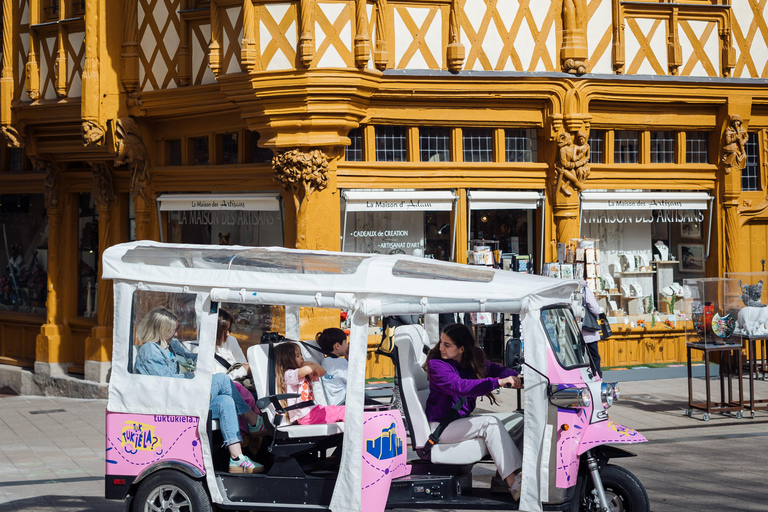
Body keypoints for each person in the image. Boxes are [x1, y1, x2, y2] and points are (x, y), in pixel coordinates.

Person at [134, 306, 264, 474]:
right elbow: (165, 383)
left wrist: (208, 348)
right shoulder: (150, 351)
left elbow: (192, 358)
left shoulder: (169, 345)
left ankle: (237, 458)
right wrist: (192, 375)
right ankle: (253, 420)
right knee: (222, 380)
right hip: (172, 401)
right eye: (173, 330)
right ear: (160, 330)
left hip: (184, 395)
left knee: (226, 401)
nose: (176, 334)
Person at [423, 323, 524, 500]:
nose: (441, 348)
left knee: (519, 420)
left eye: (447, 345)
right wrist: (498, 382)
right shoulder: (437, 365)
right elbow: (460, 386)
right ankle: (514, 484)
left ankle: (502, 480)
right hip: (442, 427)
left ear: (462, 349)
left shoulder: (473, 358)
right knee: (489, 423)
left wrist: (515, 378)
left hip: (461, 421)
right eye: (441, 343)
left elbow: (493, 369)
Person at [215, 310, 266, 437]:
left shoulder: (231, 341)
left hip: (242, 385)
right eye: (224, 331)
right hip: (227, 391)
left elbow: (243, 365)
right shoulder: (202, 349)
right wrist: (241, 371)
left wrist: (244, 370)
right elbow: (219, 382)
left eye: (229, 329)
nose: (228, 334)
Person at [274, 342, 345, 425]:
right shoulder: (289, 374)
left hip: (312, 411)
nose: (302, 358)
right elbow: (307, 370)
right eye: (297, 356)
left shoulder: (303, 374)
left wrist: (312, 364)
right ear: (288, 360)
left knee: (344, 410)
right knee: (343, 411)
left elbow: (322, 372)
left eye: (301, 354)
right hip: (305, 415)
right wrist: (312, 367)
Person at [316, 328, 349, 406]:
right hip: (343, 402)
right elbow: (354, 380)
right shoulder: (341, 362)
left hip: (333, 403)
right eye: (345, 342)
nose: (347, 346)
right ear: (337, 346)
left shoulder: (324, 361)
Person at [581, 281, 602, 377]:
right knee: (594, 357)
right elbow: (594, 308)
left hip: (575, 329)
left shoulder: (568, 289)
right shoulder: (585, 290)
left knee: (579, 356)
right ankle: (596, 376)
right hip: (589, 330)